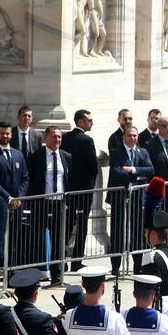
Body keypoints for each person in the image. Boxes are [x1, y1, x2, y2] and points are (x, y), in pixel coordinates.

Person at [106, 126, 154, 277]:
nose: (132, 138)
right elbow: (117, 172)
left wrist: (132, 170)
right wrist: (139, 175)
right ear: (123, 137)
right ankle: (115, 266)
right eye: (129, 136)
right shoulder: (116, 152)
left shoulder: (143, 152)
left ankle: (137, 266)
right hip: (120, 197)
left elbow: (150, 170)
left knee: (137, 232)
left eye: (134, 136)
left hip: (137, 197)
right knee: (117, 231)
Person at [27, 126, 70, 285]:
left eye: (59, 137)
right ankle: (37, 275)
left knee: (58, 239)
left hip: (59, 203)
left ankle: (57, 276)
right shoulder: (36, 156)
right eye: (54, 137)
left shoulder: (65, 157)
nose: (57, 140)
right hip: (41, 202)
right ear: (46, 139)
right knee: (37, 238)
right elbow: (29, 178)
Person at [61, 109, 99, 270]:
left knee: (67, 224)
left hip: (69, 188)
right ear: (80, 122)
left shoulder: (65, 138)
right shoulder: (86, 140)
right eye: (89, 120)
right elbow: (93, 165)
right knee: (82, 225)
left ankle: (61, 260)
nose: (92, 123)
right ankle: (76, 260)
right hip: (84, 189)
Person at [139, 210, 168, 300]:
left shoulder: (151, 257)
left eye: (146, 232)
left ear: (153, 233)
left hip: (161, 308)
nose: (145, 235)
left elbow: (147, 291)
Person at [0, 121, 28, 207]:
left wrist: (19, 197)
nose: (4, 136)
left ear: (11, 134)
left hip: (18, 204)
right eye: (2, 133)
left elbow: (25, 178)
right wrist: (8, 198)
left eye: (7, 133)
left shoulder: (18, 154)